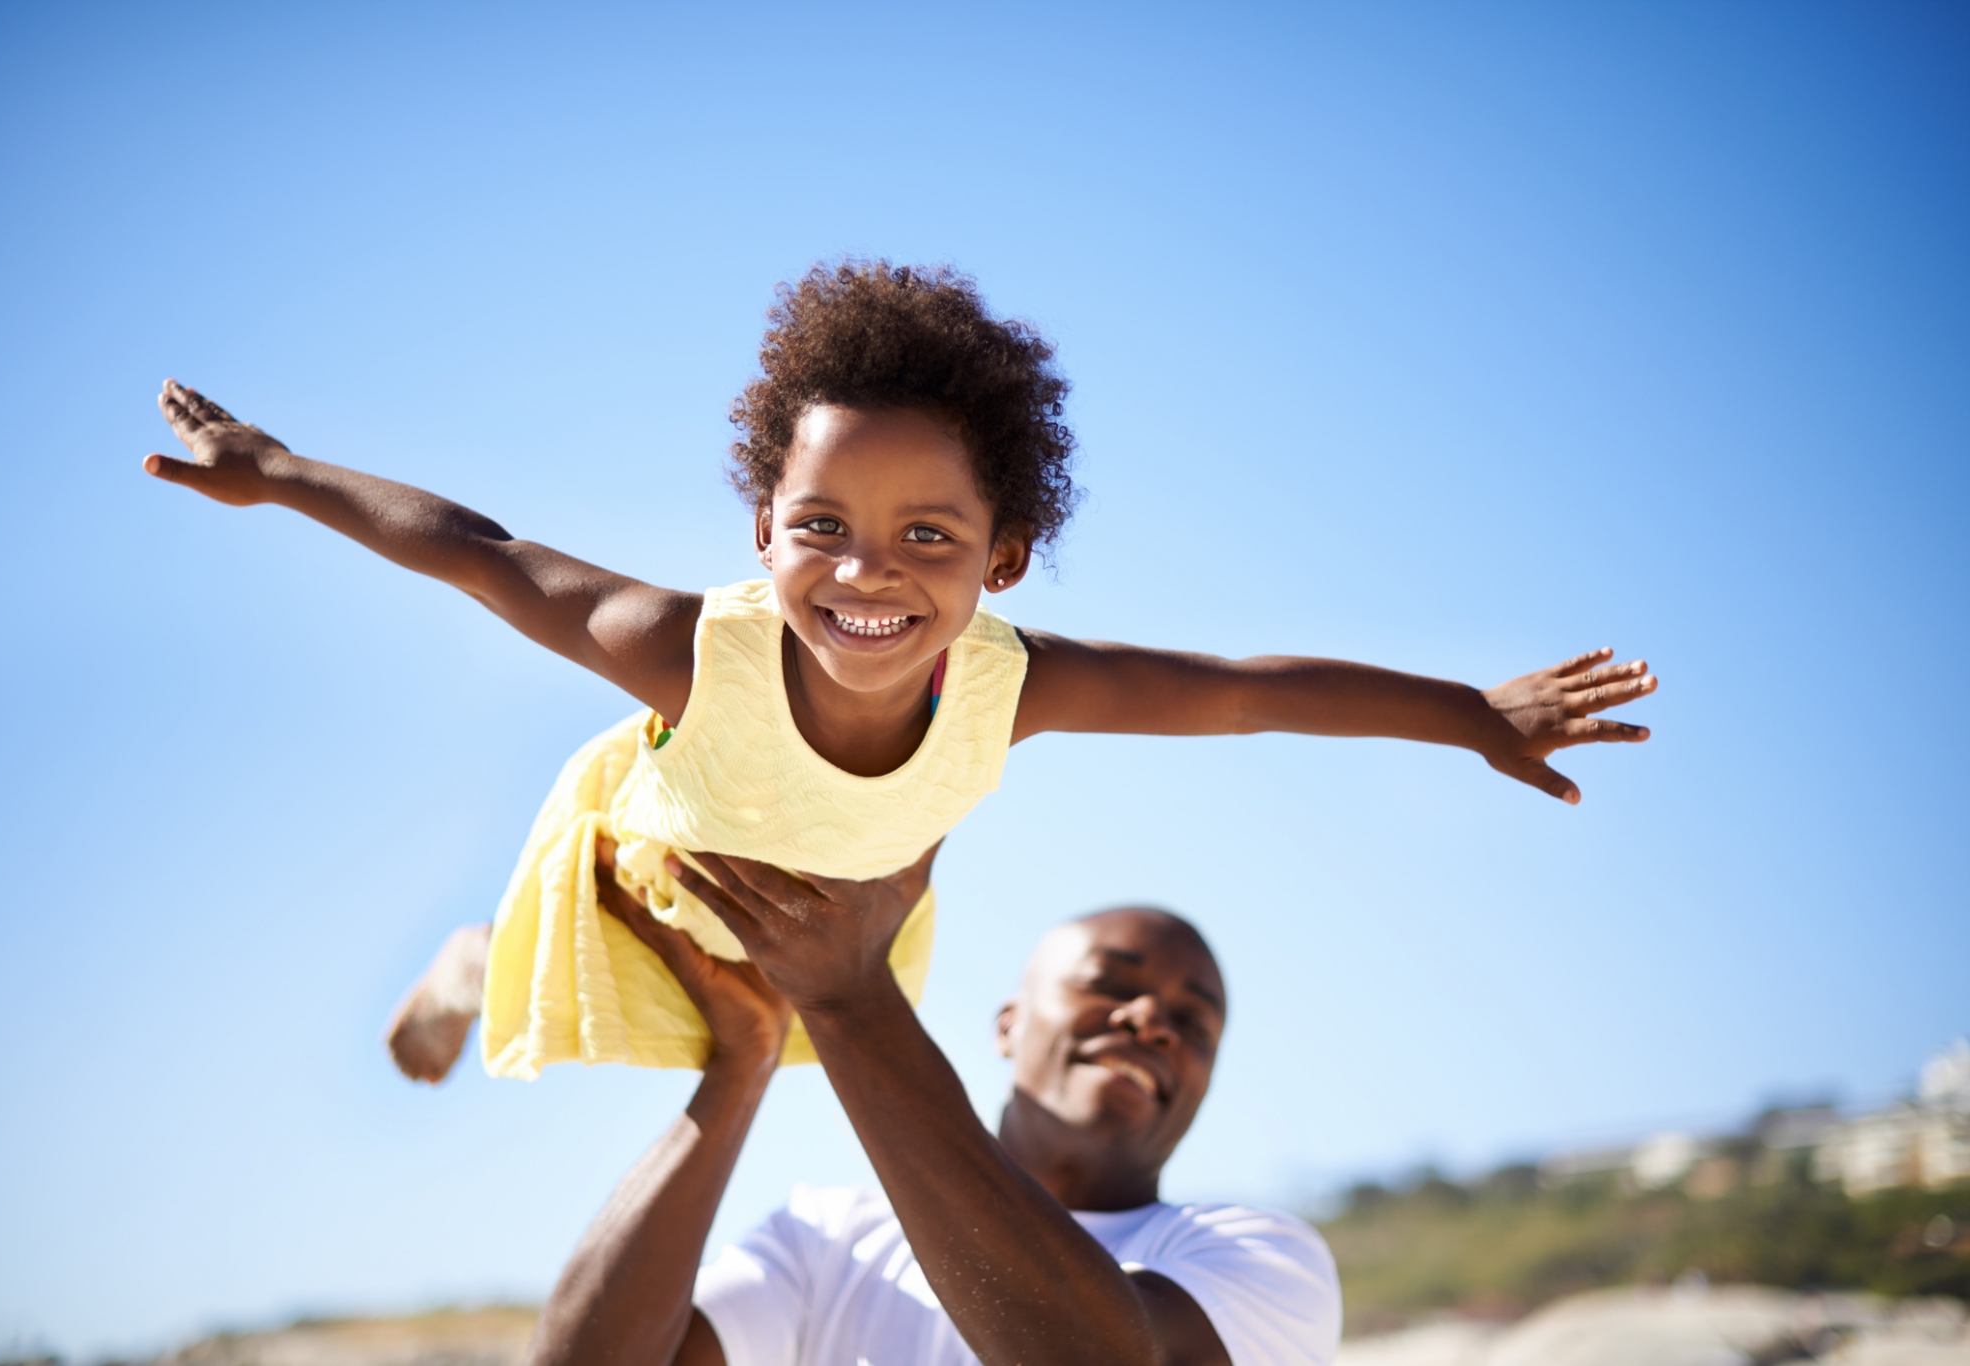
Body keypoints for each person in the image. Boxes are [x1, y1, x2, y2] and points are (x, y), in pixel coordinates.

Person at [144, 260, 1657, 1085]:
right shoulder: (687, 647)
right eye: (825, 527)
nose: (868, 571)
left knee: (765, 1038)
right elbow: (480, 549)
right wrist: (280, 471)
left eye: (926, 532)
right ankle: (483, 958)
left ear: (1002, 556)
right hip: (644, 881)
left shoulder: (1013, 680)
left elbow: (1240, 688)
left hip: (839, 917)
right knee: (618, 995)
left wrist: (1465, 714)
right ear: (763, 525)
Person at [524, 844, 1341, 1366]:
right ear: (1009, 1025)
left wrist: (851, 1000)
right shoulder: (828, 1241)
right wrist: (742, 1066)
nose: (1152, 1022)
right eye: (1110, 985)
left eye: (1193, 1022)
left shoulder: (1255, 1260)